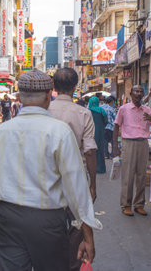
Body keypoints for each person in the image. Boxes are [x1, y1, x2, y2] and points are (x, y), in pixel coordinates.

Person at [0, 70, 101, 271]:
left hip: (7, 218)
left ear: (18, 98)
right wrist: (87, 235)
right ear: (48, 96)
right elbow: (76, 189)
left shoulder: (1, 132)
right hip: (47, 220)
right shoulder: (60, 132)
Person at [48, 67, 98, 271]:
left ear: (53, 87)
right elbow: (90, 151)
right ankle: (72, 264)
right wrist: (92, 184)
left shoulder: (45, 111)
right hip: (76, 179)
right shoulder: (83, 113)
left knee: (50, 225)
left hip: (49, 178)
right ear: (75, 87)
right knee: (78, 226)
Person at [113, 85, 151, 216]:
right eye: (136, 91)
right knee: (128, 175)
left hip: (143, 144)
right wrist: (116, 146)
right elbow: (116, 126)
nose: (138, 94)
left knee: (141, 175)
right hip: (128, 143)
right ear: (131, 93)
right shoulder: (124, 109)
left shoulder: (147, 110)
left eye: (140, 92)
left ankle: (139, 204)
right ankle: (126, 205)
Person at [89, 96, 108, 174]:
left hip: (90, 133)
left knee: (91, 150)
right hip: (100, 132)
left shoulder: (87, 111)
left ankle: (91, 168)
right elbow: (106, 120)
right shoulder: (101, 110)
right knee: (100, 149)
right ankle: (101, 168)